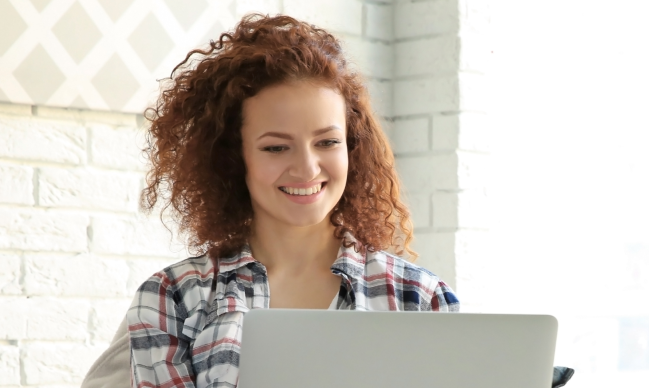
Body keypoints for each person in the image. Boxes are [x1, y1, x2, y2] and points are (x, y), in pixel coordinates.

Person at [80, 14, 458, 387]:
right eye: (276, 147)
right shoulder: (174, 299)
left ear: (352, 149)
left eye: (327, 142)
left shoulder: (419, 297)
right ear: (233, 157)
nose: (307, 168)